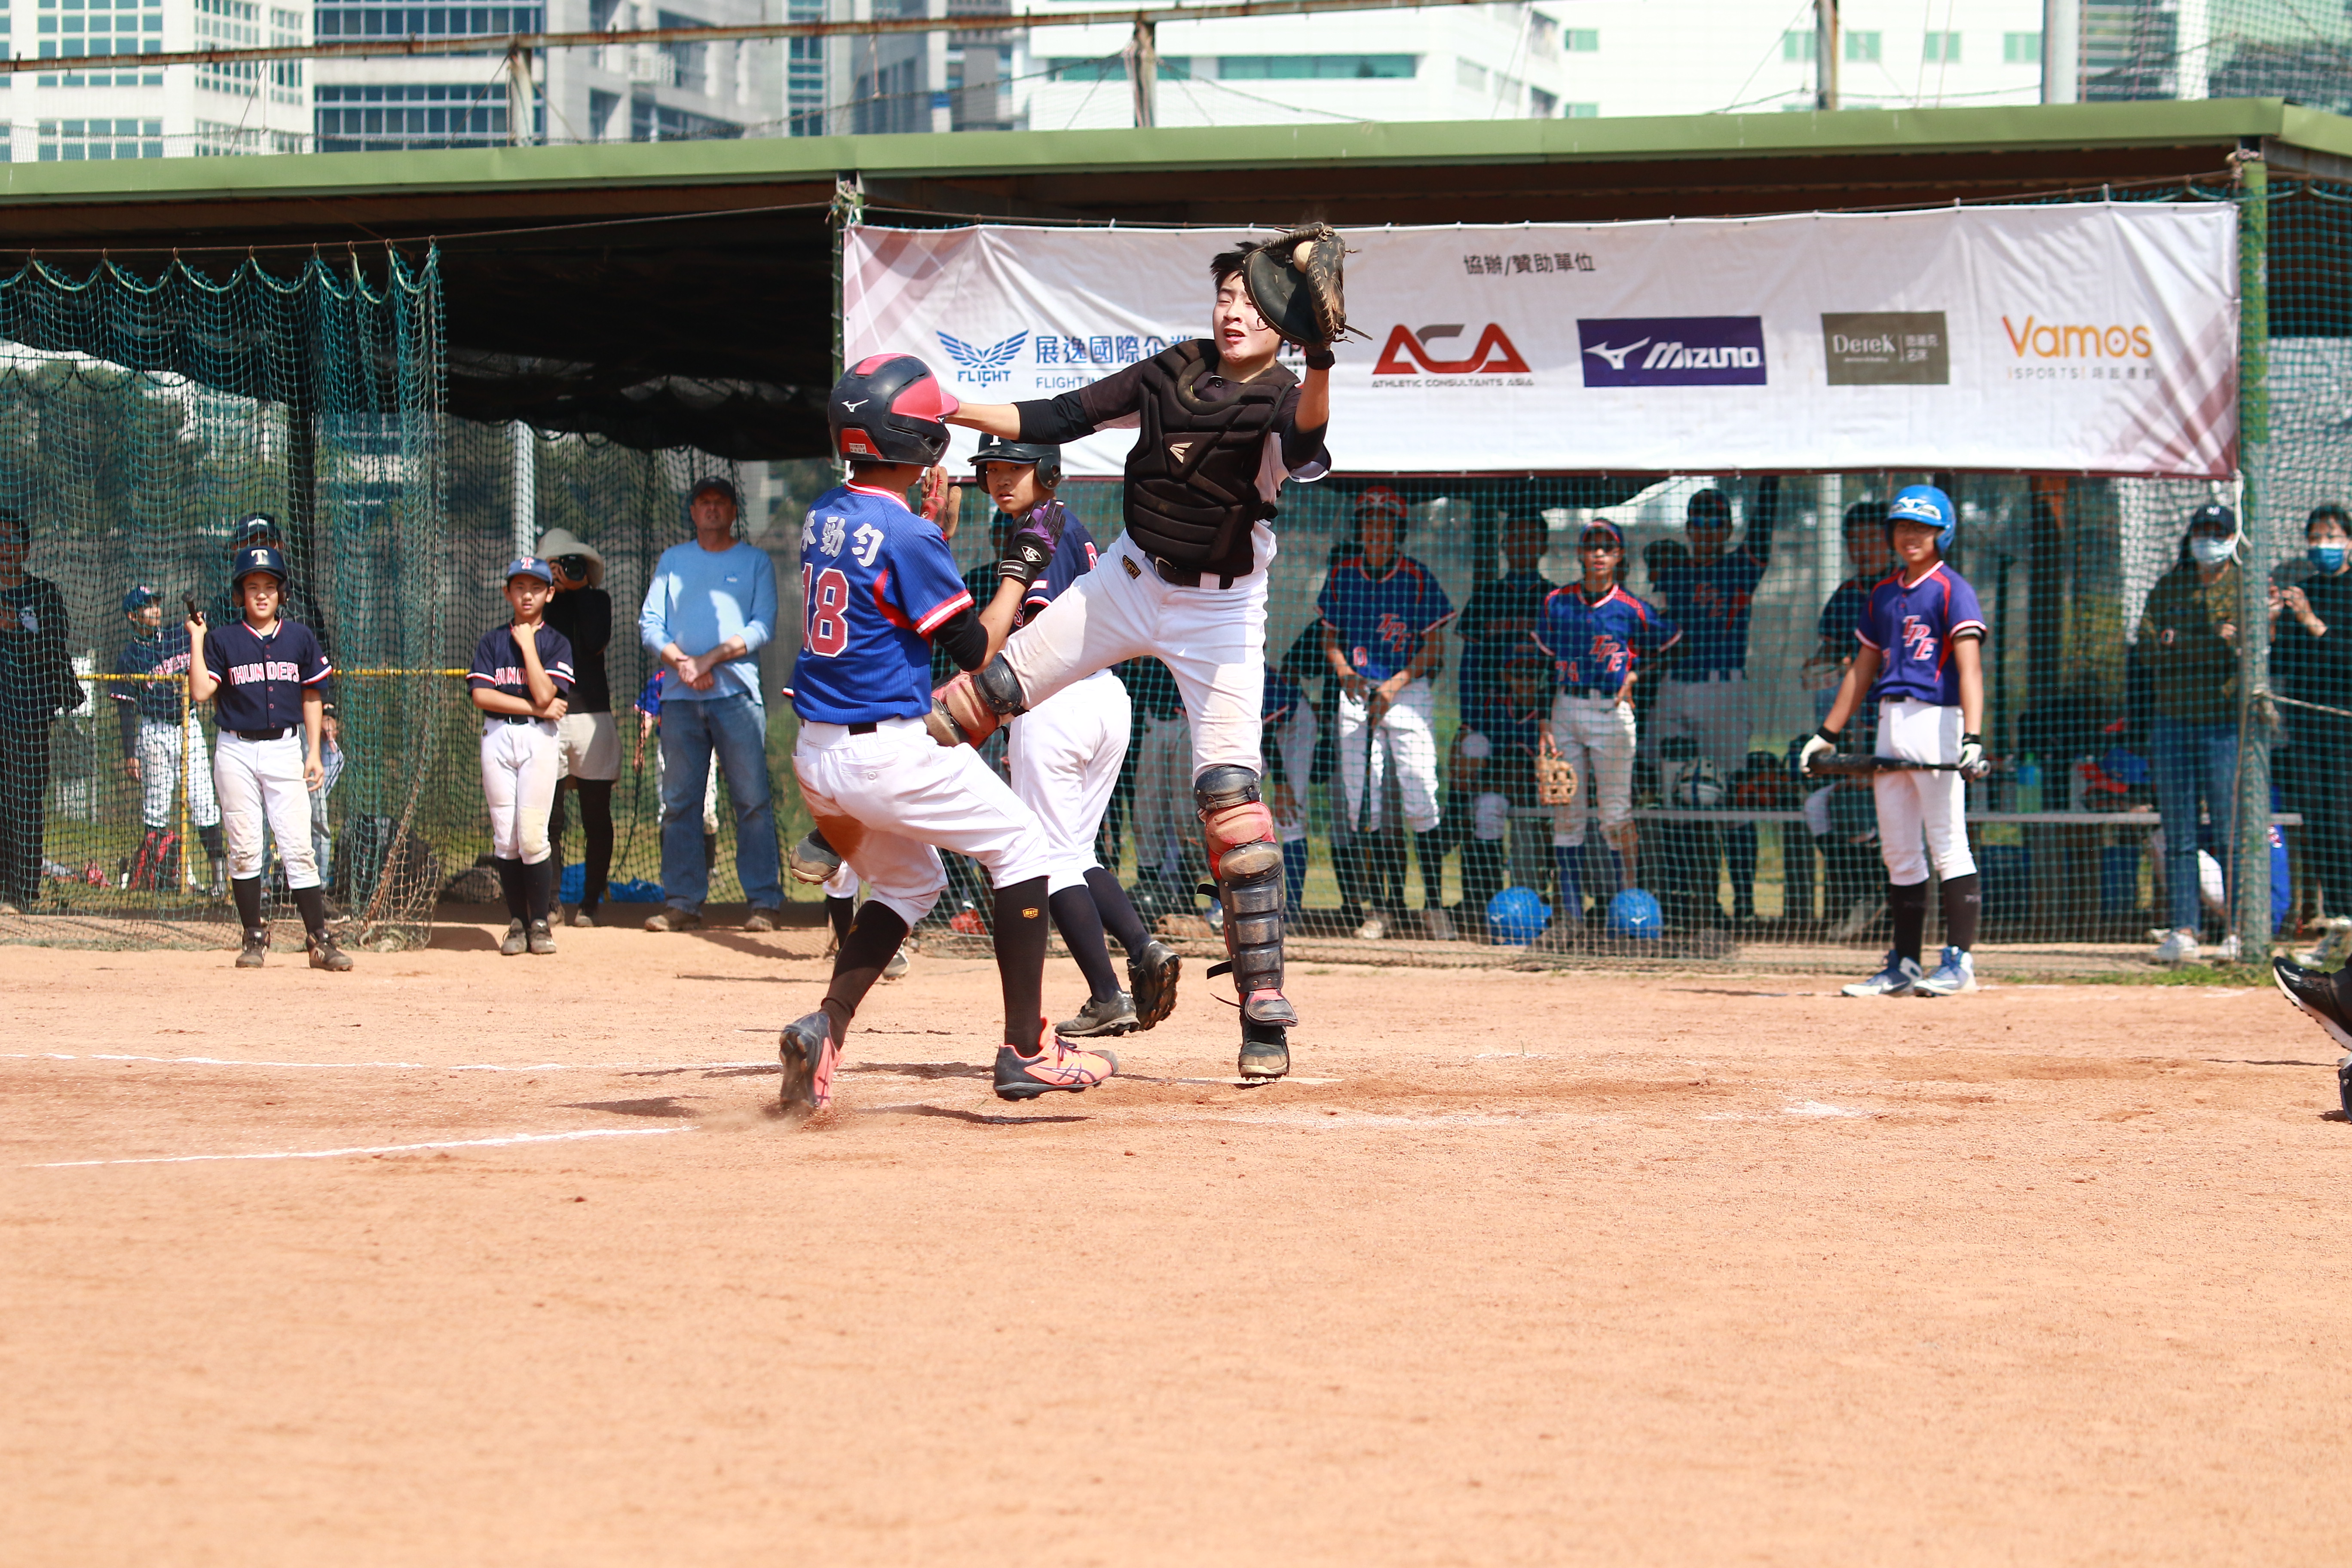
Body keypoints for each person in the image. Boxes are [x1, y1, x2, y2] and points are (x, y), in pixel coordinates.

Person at [933, 233, 1337, 1082]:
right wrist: (952, 406)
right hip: (1128, 578)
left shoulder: (1285, 396)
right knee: (983, 694)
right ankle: (859, 822)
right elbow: (1058, 417)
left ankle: (1262, 1009)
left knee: (1232, 804)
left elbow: (1303, 447)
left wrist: (1324, 358)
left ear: (1284, 323)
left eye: (1254, 300)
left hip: (1222, 611)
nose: (1233, 311)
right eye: (1226, 295)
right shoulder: (1172, 369)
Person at [778, 353, 1117, 1110]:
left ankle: (826, 1029)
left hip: (818, 752)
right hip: (885, 752)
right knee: (1025, 847)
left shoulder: (823, 512)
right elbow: (976, 651)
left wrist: (931, 529)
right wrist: (1019, 570)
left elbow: (881, 570)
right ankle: (1027, 1048)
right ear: (924, 442)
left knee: (911, 882)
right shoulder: (907, 536)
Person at [973, 435, 1179, 1037]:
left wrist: (1001, 705)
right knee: (1078, 853)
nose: (1000, 479)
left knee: (1049, 857)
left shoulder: (1041, 531)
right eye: (991, 469)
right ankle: (1143, 948)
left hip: (1055, 699)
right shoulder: (1069, 525)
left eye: (1015, 468)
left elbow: (1039, 635)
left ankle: (1108, 994)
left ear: (1048, 469)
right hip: (1104, 698)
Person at [1803, 485, 1986, 998]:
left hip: (1938, 720)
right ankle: (1904, 965)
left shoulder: (1952, 589)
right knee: (1899, 851)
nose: (1911, 536)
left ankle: (1960, 964)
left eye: (1923, 528)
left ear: (1943, 534)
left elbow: (1971, 670)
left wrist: (1973, 736)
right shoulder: (1883, 593)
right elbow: (1862, 670)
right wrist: (1826, 735)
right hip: (1890, 721)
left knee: (1948, 845)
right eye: (1903, 526)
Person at [185, 542, 352, 972]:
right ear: (239, 595)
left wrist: (313, 752)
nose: (261, 594)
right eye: (252, 587)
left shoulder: (299, 637)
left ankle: (319, 940)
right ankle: (254, 937)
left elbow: (313, 695)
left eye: (270, 586)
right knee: (244, 847)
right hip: (236, 750)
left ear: (282, 593)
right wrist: (198, 640)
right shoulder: (222, 640)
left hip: (284, 747)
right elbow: (201, 691)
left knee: (298, 845)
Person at [637, 476, 784, 934]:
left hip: (738, 698)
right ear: (693, 511)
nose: (713, 509)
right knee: (680, 803)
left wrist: (710, 659)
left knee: (752, 801)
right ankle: (682, 903)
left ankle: (764, 902)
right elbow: (650, 623)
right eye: (705, 502)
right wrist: (683, 663)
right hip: (680, 699)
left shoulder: (755, 561)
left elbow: (763, 625)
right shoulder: (673, 560)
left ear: (734, 512)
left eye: (721, 502)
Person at [1530, 520, 1681, 941]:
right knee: (1567, 813)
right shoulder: (1556, 602)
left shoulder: (1632, 608)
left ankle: (1627, 909)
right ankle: (1571, 915)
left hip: (1611, 710)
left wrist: (1636, 675)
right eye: (1591, 547)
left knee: (1615, 814)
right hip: (1566, 706)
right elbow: (1543, 663)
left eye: (1607, 548)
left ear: (1619, 556)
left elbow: (1673, 645)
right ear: (1580, 554)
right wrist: (1543, 720)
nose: (1598, 554)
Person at [1319, 487, 1457, 941]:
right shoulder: (1343, 575)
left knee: (1420, 795)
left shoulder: (1416, 576)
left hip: (1408, 692)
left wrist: (1394, 686)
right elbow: (1330, 637)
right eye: (1369, 522)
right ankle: (1380, 909)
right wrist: (1343, 672)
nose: (1376, 530)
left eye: (1385, 523)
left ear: (1399, 530)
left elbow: (1435, 647)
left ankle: (1434, 905)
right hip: (1359, 693)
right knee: (1364, 804)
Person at [1650, 481, 1780, 925]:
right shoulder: (1672, 573)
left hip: (1723, 690)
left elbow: (1762, 530)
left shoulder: (1740, 566)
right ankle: (1689, 901)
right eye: (1699, 522)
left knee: (1730, 797)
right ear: (1688, 529)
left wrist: (1770, 478)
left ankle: (1744, 905)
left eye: (1715, 522)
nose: (1706, 530)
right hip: (1673, 687)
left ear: (1727, 529)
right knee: (1675, 795)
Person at [2136, 502, 2245, 966]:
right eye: (2202, 530)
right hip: (2173, 720)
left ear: (2232, 537)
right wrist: (2212, 642)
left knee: (2228, 827)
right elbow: (2147, 649)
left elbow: (2243, 649)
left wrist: (2181, 643)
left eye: (2217, 532)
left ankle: (2239, 930)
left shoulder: (2244, 586)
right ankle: (2184, 929)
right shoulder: (2169, 586)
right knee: (2178, 830)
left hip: (2224, 723)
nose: (2208, 540)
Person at [468, 556, 575, 957]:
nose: (527, 595)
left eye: (536, 588)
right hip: (498, 736)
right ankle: (516, 922)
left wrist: (529, 645)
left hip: (538, 740)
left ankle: (540, 922)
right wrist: (534, 706)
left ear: (550, 594)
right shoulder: (492, 641)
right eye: (519, 587)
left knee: (532, 835)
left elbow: (549, 694)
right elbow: (483, 696)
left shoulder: (555, 642)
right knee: (506, 837)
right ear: (507, 592)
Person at [2269, 504, 2352, 956]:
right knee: (2317, 822)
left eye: (2332, 537)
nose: (2323, 546)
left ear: (2350, 542)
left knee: (2343, 820)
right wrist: (2275, 622)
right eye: (2316, 538)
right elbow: (2284, 664)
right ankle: (2338, 924)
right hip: (2307, 727)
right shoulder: (2306, 591)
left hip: (2345, 727)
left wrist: (2311, 622)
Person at [112, 584, 226, 894]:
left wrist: (200, 622)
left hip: (188, 727)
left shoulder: (179, 635)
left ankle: (219, 881)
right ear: (133, 616)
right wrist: (130, 754)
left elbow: (210, 623)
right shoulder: (129, 657)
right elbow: (126, 709)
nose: (156, 610)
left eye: (157, 604)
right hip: (153, 733)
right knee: (157, 807)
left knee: (204, 803)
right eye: (148, 606)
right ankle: (158, 876)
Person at [538, 527, 618, 928]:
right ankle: (551, 901)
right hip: (548, 717)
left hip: (593, 716)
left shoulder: (598, 600)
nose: (566, 571)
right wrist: (551, 591)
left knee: (596, 816)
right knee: (548, 818)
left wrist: (581, 590)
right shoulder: (539, 603)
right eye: (558, 565)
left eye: (573, 564)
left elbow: (595, 640)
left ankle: (590, 903)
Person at [0, 511, 77, 914]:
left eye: (14, 541)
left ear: (27, 548)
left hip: (28, 719)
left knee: (25, 802)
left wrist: (15, 628)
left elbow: (53, 652)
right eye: (1, 541)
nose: (6, 549)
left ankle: (23, 891)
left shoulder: (44, 595)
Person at [1449, 651, 1554, 930]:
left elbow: (1526, 769)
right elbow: (1464, 742)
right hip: (1495, 786)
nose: (1525, 681)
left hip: (1536, 792)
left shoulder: (1549, 709)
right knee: (1487, 807)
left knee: (1534, 826)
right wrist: (1466, 778)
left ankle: (1538, 897)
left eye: (1532, 675)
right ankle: (1485, 898)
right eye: (1518, 674)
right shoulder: (1493, 704)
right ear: (1506, 677)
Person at [1263, 662, 1316, 915]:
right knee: (1233, 813)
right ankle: (1225, 907)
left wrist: (1282, 785)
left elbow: (1268, 734)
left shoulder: (1261, 676)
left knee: (1290, 815)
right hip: (1260, 734)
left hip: (1295, 727)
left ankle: (1292, 908)